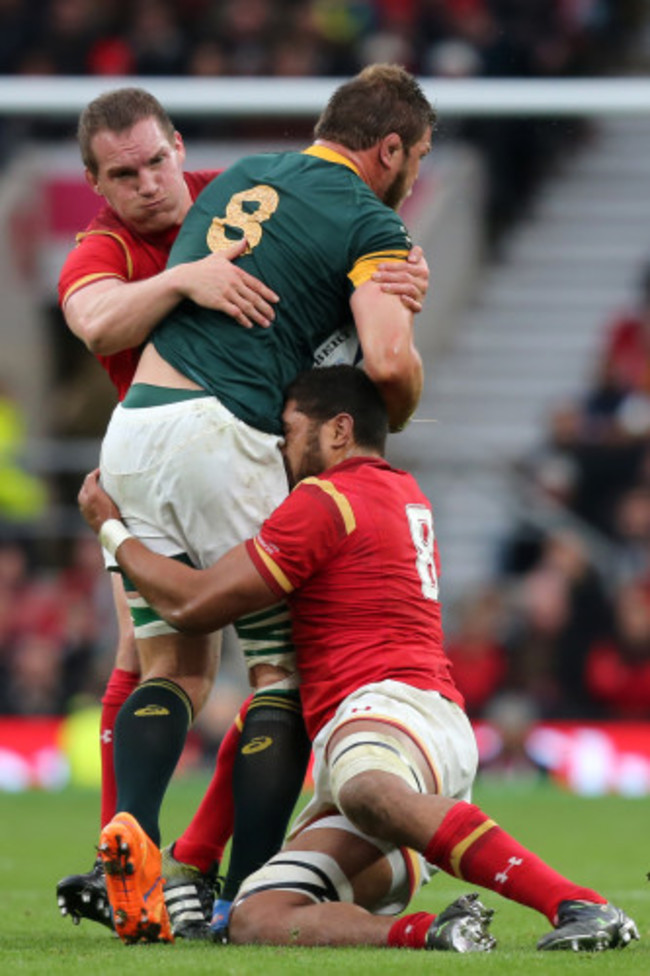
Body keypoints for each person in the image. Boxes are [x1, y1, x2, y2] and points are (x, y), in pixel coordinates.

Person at [78, 364, 639, 953]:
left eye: (291, 430)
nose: (281, 447)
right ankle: (435, 933)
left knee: (367, 788)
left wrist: (112, 531)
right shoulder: (402, 490)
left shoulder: (326, 500)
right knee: (256, 917)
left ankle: (580, 904)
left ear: (339, 430)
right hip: (415, 735)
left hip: (385, 714)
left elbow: (194, 605)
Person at [67, 65, 434, 945]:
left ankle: (137, 845)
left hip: (133, 433)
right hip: (223, 433)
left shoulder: (238, 177)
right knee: (281, 673)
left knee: (170, 667)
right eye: (417, 158)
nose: (147, 183)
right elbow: (385, 364)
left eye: (156, 163)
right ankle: (247, 896)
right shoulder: (370, 219)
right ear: (390, 151)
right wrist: (398, 393)